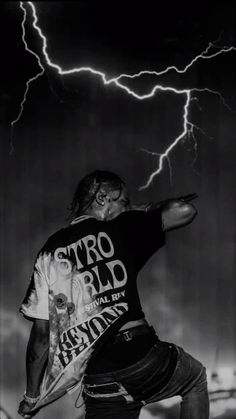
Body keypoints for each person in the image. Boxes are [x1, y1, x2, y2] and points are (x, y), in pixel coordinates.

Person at [18, 170, 209, 419]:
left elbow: (41, 338)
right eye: (123, 201)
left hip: (99, 378)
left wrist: (32, 397)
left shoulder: (49, 252)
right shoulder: (123, 227)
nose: (125, 207)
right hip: (143, 358)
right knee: (195, 380)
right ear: (102, 198)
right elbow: (184, 211)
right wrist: (139, 210)